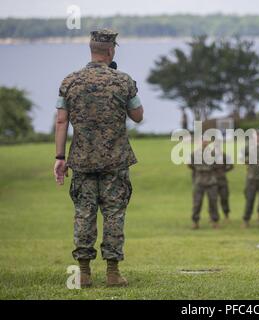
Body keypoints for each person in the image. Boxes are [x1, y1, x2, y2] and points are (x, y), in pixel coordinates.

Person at [54, 29, 144, 288]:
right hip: (115, 161)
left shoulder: (70, 81)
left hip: (81, 160)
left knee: (84, 212)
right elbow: (137, 115)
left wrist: (60, 157)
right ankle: (113, 273)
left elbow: (61, 120)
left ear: (91, 50)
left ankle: (83, 273)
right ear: (111, 51)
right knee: (114, 213)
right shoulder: (123, 80)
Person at [188, 141, 220, 229]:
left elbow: (218, 166)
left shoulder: (214, 154)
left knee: (213, 202)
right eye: (203, 141)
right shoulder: (194, 154)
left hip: (211, 181)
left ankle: (215, 221)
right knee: (197, 203)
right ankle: (195, 222)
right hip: (199, 181)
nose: (204, 143)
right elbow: (190, 165)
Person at [214, 150, 234, 220]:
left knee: (224, 198)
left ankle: (226, 215)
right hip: (212, 181)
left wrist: (223, 171)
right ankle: (212, 216)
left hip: (222, 181)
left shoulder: (224, 156)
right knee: (213, 200)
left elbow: (231, 166)